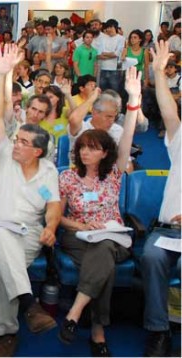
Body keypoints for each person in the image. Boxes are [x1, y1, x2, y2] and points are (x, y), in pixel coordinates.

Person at [0, 44, 60, 357]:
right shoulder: (2, 155)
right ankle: (28, 306)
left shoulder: (48, 171)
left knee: (3, 265)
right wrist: (0, 76)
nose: (16, 144)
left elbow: (53, 205)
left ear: (38, 151)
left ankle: (7, 334)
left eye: (23, 142)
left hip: (27, 237)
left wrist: (51, 226)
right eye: (16, 138)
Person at [57, 67, 141, 357]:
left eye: (92, 149)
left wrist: (134, 101)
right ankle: (97, 330)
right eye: (82, 148)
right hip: (77, 236)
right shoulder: (67, 177)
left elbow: (128, 134)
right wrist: (77, 225)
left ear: (105, 153)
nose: (84, 153)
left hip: (113, 236)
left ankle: (75, 313)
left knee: (104, 248)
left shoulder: (113, 176)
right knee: (102, 259)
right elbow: (58, 217)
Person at [140, 40, 181, 357]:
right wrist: (158, 73)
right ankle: (158, 331)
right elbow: (168, 111)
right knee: (153, 258)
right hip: (167, 231)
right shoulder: (179, 142)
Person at [97, 19, 125, 93]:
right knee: (103, 91)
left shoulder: (121, 38)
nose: (109, 29)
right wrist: (111, 54)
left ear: (115, 27)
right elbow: (99, 54)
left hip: (115, 69)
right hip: (103, 68)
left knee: (115, 92)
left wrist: (105, 53)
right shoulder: (103, 38)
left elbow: (117, 54)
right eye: (107, 28)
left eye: (110, 27)